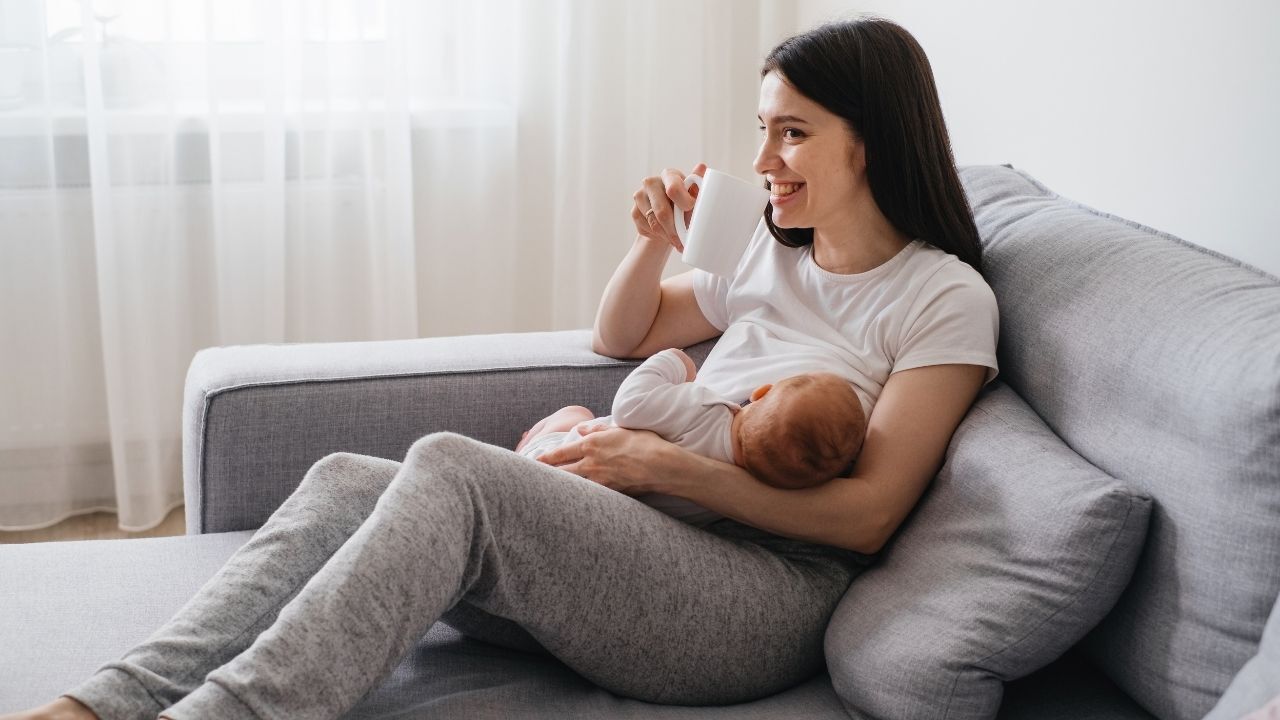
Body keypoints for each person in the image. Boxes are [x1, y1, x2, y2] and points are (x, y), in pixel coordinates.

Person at [5, 15, 998, 720]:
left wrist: (662, 467)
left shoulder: (940, 298)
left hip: (761, 597)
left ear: (865, 142)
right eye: (761, 130)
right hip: (645, 541)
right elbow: (621, 335)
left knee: (454, 465)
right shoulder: (773, 252)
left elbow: (867, 514)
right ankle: (105, 703)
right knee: (349, 479)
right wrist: (655, 240)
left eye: (792, 131)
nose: (766, 156)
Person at [516, 347, 867, 526]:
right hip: (597, 506)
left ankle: (529, 445)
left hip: (560, 463)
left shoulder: (702, 410)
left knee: (576, 414)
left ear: (760, 393)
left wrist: (673, 361)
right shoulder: (733, 497)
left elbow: (629, 405)